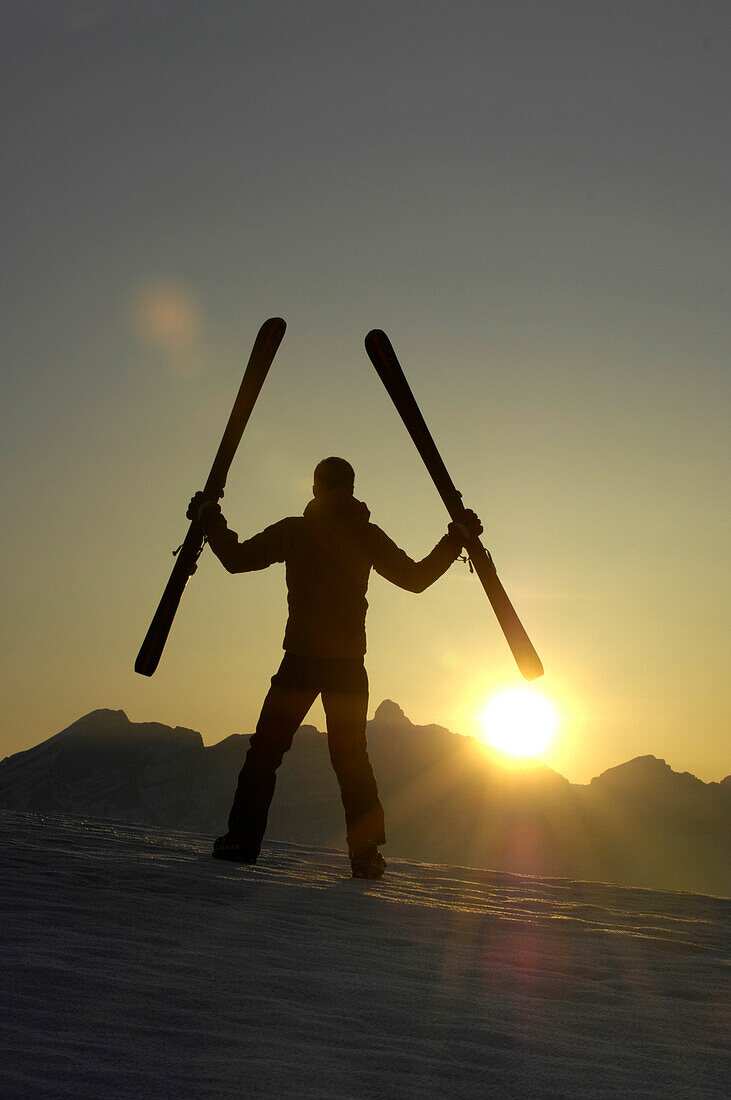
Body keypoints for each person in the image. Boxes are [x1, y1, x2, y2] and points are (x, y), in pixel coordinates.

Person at [188, 457, 482, 879]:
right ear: (352, 488)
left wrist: (210, 519)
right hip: (347, 665)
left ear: (315, 489)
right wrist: (455, 539)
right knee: (351, 759)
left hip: (301, 661)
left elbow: (235, 558)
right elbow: (416, 579)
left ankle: (242, 841)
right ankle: (364, 855)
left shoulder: (295, 530)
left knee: (265, 754)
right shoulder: (365, 535)